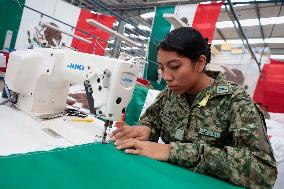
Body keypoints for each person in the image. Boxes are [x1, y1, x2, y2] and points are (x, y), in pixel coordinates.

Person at [111, 27, 277, 188]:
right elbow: (152, 120)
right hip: (166, 180)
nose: (166, 77)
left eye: (175, 66)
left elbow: (263, 170)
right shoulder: (170, 94)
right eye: (162, 68)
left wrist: (175, 152)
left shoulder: (234, 100)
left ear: (200, 63)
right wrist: (146, 129)